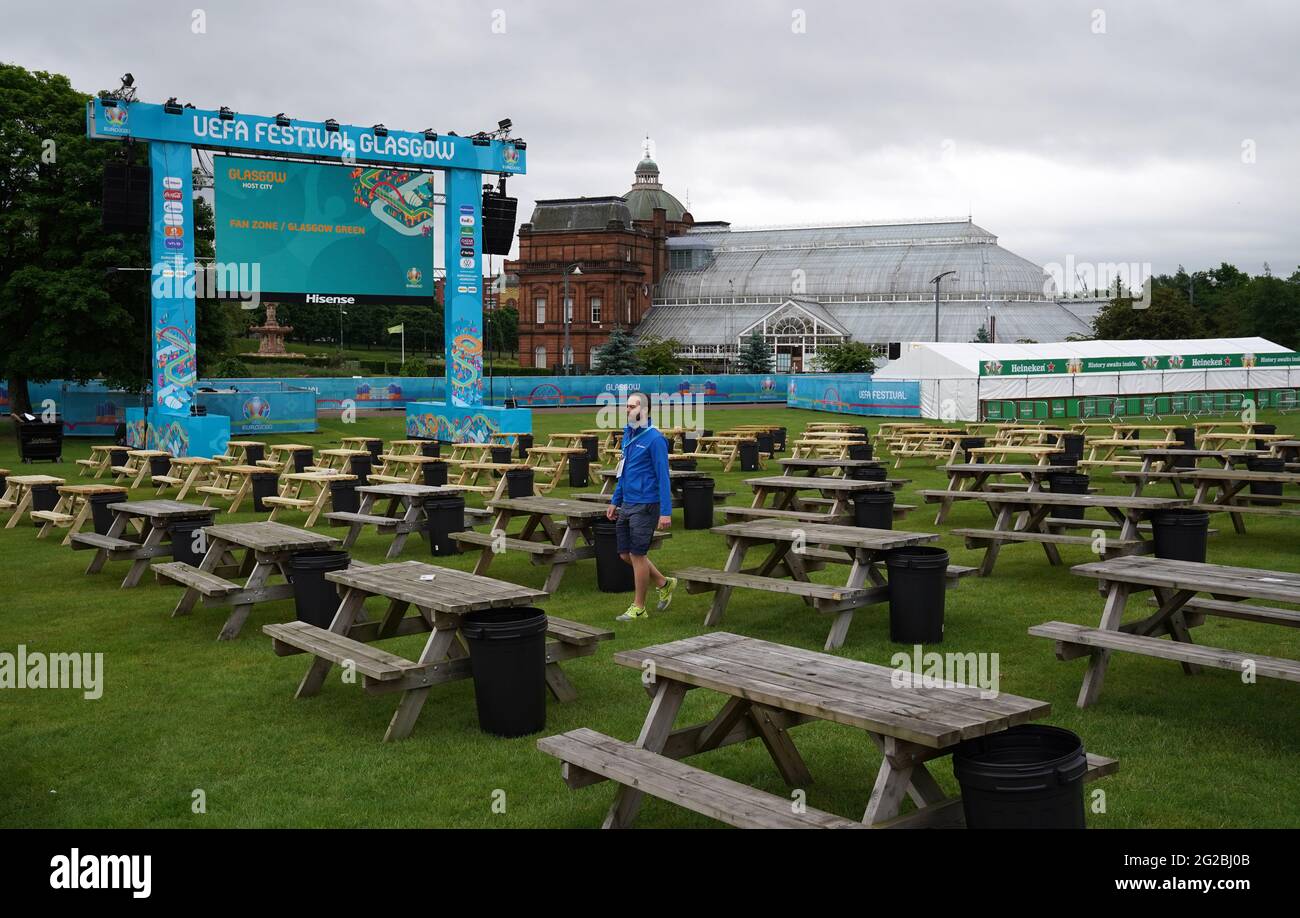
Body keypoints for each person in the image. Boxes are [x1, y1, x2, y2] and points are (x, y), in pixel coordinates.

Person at [606, 391, 676, 622]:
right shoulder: (628, 434)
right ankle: (663, 583)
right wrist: (615, 501)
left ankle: (639, 607)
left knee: (637, 554)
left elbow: (663, 477)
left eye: (632, 406)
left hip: (647, 504)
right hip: (627, 502)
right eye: (626, 406)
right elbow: (624, 472)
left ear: (644, 410)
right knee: (625, 554)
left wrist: (665, 512)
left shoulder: (655, 439)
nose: (628, 410)